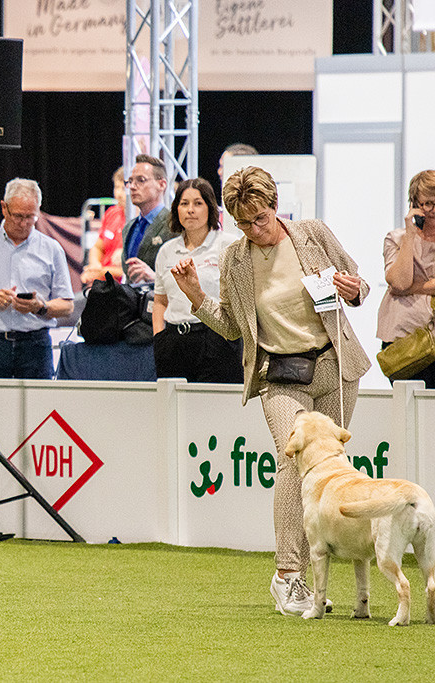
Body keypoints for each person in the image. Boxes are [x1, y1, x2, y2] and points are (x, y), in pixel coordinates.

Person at [170, 166, 371, 617]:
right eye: (243, 223)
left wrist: (353, 290)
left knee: (328, 467)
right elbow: (231, 327)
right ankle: (287, 576)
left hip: (335, 364)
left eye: (260, 219)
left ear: (275, 208)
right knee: (293, 461)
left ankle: (316, 577)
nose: (254, 230)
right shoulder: (235, 260)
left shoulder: (313, 234)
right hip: (280, 374)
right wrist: (196, 298)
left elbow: (358, 284)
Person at [0, 178, 74, 379]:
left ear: (38, 211)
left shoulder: (51, 249)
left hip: (36, 344)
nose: (23, 223)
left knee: (39, 408)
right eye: (17, 216)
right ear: (4, 208)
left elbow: (67, 306)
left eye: (30, 217)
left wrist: (40, 307)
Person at [152, 177, 242, 383]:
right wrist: (159, 338)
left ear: (210, 208)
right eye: (184, 204)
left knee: (214, 407)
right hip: (174, 341)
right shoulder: (166, 251)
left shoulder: (228, 245)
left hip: (216, 338)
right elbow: (160, 301)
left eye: (198, 203)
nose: (190, 210)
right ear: (176, 209)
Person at [377, 170, 435, 387]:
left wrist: (413, 288)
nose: (433, 211)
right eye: (427, 204)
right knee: (409, 410)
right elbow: (400, 282)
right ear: (415, 204)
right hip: (406, 341)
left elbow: (404, 287)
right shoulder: (397, 238)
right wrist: (410, 234)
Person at [120, 154, 171, 284]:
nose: (132, 186)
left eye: (141, 180)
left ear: (162, 184)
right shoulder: (129, 228)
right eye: (130, 181)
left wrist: (155, 277)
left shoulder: (173, 224)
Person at [80, 166, 126, 285]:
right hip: (103, 284)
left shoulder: (139, 222)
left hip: (122, 289)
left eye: (124, 188)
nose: (119, 194)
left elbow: (128, 271)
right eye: (116, 187)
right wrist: (95, 265)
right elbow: (97, 247)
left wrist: (100, 272)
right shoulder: (111, 213)